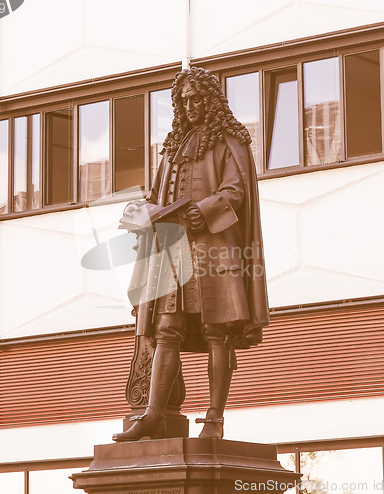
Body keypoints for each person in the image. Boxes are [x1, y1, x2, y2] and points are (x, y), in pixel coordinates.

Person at [113, 66, 269, 442]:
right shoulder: (171, 147)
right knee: (166, 328)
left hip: (213, 248)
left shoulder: (230, 141)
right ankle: (152, 415)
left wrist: (204, 210)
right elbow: (155, 197)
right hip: (171, 249)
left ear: (210, 99)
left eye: (196, 98)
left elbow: (236, 190)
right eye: (183, 100)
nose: (190, 105)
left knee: (218, 331)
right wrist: (141, 214)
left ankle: (214, 420)